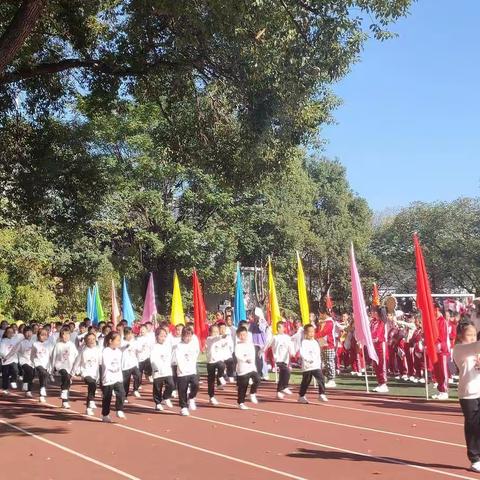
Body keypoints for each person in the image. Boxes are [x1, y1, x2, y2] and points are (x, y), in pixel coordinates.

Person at [452, 321, 480, 472]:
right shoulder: (460, 349)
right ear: (460, 336)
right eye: (469, 335)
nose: (473, 338)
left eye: (475, 335)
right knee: (473, 425)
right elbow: (476, 346)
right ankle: (475, 458)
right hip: (468, 394)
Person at [71, 332, 101, 416]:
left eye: (93, 339)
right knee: (92, 384)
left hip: (95, 373)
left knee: (92, 389)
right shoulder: (83, 351)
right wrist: (72, 373)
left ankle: (88, 408)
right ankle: (91, 401)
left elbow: (102, 362)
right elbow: (76, 362)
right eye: (89, 339)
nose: (91, 341)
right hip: (86, 373)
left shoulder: (98, 350)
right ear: (85, 341)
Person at [298, 324, 328, 404]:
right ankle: (301, 396)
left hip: (316, 365)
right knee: (306, 381)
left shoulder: (315, 342)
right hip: (307, 366)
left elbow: (318, 353)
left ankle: (322, 394)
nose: (311, 333)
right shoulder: (304, 342)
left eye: (313, 332)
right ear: (305, 333)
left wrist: (320, 363)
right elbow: (302, 353)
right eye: (309, 332)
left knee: (321, 378)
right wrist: (308, 359)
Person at [173, 326, 199, 416]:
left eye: (190, 336)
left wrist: (193, 365)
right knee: (182, 390)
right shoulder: (179, 346)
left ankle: (191, 397)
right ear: (182, 336)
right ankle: (183, 407)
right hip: (182, 372)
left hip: (192, 370)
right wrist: (182, 369)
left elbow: (196, 353)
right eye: (186, 336)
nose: (188, 338)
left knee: (195, 384)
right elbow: (179, 358)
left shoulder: (193, 344)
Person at [266, 321, 295, 399]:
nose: (279, 328)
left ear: (284, 328)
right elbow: (268, 345)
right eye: (278, 327)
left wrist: (292, 353)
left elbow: (290, 347)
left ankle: (278, 392)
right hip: (278, 359)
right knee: (287, 371)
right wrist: (262, 350)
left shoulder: (287, 338)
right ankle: (285, 386)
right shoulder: (275, 337)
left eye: (281, 327)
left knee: (282, 375)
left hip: (285, 359)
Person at [101, 331, 126, 422]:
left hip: (117, 377)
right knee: (107, 397)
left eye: (120, 340)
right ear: (111, 341)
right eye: (117, 340)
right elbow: (106, 364)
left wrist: (119, 372)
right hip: (108, 378)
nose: (119, 342)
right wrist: (113, 369)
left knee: (121, 393)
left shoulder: (119, 352)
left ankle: (119, 409)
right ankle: (105, 414)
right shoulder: (105, 351)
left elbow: (120, 363)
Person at [51, 326, 77, 408]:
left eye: (67, 335)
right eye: (63, 335)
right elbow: (53, 356)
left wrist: (76, 368)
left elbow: (76, 356)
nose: (65, 336)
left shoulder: (72, 345)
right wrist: (52, 369)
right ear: (61, 336)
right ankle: (64, 392)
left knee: (67, 382)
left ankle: (64, 402)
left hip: (69, 367)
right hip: (60, 366)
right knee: (65, 375)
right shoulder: (58, 345)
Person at [234, 326, 260, 410]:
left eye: (244, 335)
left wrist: (250, 360)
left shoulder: (250, 344)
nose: (242, 337)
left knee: (257, 379)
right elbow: (238, 355)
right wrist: (245, 359)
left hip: (251, 367)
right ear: (238, 336)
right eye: (240, 335)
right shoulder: (238, 346)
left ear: (247, 335)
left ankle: (252, 393)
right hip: (242, 369)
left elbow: (253, 354)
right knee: (243, 387)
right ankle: (240, 402)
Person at [6, 325, 35, 397]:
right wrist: (7, 357)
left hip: (32, 362)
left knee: (31, 375)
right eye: (26, 332)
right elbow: (13, 351)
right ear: (24, 333)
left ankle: (27, 386)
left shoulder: (34, 342)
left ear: (32, 333)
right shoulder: (21, 343)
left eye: (30, 332)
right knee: (29, 371)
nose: (28, 334)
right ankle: (28, 389)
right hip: (23, 361)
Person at [150, 327, 174, 411]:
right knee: (157, 388)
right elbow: (152, 359)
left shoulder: (167, 346)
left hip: (167, 370)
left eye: (164, 336)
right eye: (161, 336)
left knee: (171, 384)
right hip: (158, 371)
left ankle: (166, 397)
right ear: (156, 336)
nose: (163, 338)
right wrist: (155, 368)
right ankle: (158, 403)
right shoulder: (154, 347)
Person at [205, 324, 227, 405]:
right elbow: (215, 338)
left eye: (217, 332)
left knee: (222, 365)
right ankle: (211, 396)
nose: (215, 333)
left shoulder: (219, 339)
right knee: (211, 380)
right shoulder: (209, 339)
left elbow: (223, 348)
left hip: (218, 361)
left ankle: (220, 376)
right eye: (214, 332)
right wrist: (222, 336)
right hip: (211, 362)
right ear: (210, 332)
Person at [30, 327, 52, 403]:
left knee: (43, 378)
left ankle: (41, 395)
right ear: (38, 336)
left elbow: (51, 355)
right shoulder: (35, 344)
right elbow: (32, 355)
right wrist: (33, 362)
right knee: (44, 373)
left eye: (45, 335)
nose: (44, 337)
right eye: (42, 335)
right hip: (38, 363)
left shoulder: (49, 344)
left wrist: (51, 365)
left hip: (46, 364)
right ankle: (42, 389)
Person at [433, 307, 450, 400]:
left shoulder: (442, 321)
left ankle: (444, 391)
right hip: (435, 349)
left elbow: (442, 336)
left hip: (442, 349)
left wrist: (437, 344)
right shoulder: (433, 321)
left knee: (443, 371)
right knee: (437, 371)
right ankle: (440, 390)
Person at [370, 308, 388, 393]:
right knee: (375, 365)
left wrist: (375, 338)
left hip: (381, 345)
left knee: (381, 364)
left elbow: (379, 333)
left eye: (374, 311)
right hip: (374, 346)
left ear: (378, 313)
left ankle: (384, 384)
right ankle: (380, 383)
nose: (372, 313)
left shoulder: (382, 322)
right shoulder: (372, 322)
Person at [316, 312, 336, 388]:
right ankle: (327, 378)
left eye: (321, 314)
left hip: (329, 344)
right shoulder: (321, 322)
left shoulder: (330, 322)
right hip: (322, 344)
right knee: (324, 363)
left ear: (325, 314)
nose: (320, 315)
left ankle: (331, 379)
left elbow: (324, 332)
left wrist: (314, 336)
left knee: (329, 362)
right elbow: (318, 331)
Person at [121, 327, 141, 401]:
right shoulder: (122, 342)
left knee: (138, 375)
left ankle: (135, 389)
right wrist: (126, 345)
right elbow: (121, 347)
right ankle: (124, 396)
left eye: (131, 334)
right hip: (125, 365)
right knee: (126, 382)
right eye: (127, 334)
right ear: (125, 335)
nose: (129, 335)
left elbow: (139, 349)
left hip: (134, 364)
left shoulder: (135, 341)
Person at [0, 326, 19, 394]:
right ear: (6, 333)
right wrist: (4, 357)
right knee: (5, 375)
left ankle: (13, 380)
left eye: (11, 332)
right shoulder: (3, 341)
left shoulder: (15, 339)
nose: (10, 333)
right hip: (5, 360)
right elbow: (1, 351)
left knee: (15, 370)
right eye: (8, 332)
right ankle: (5, 388)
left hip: (13, 359)